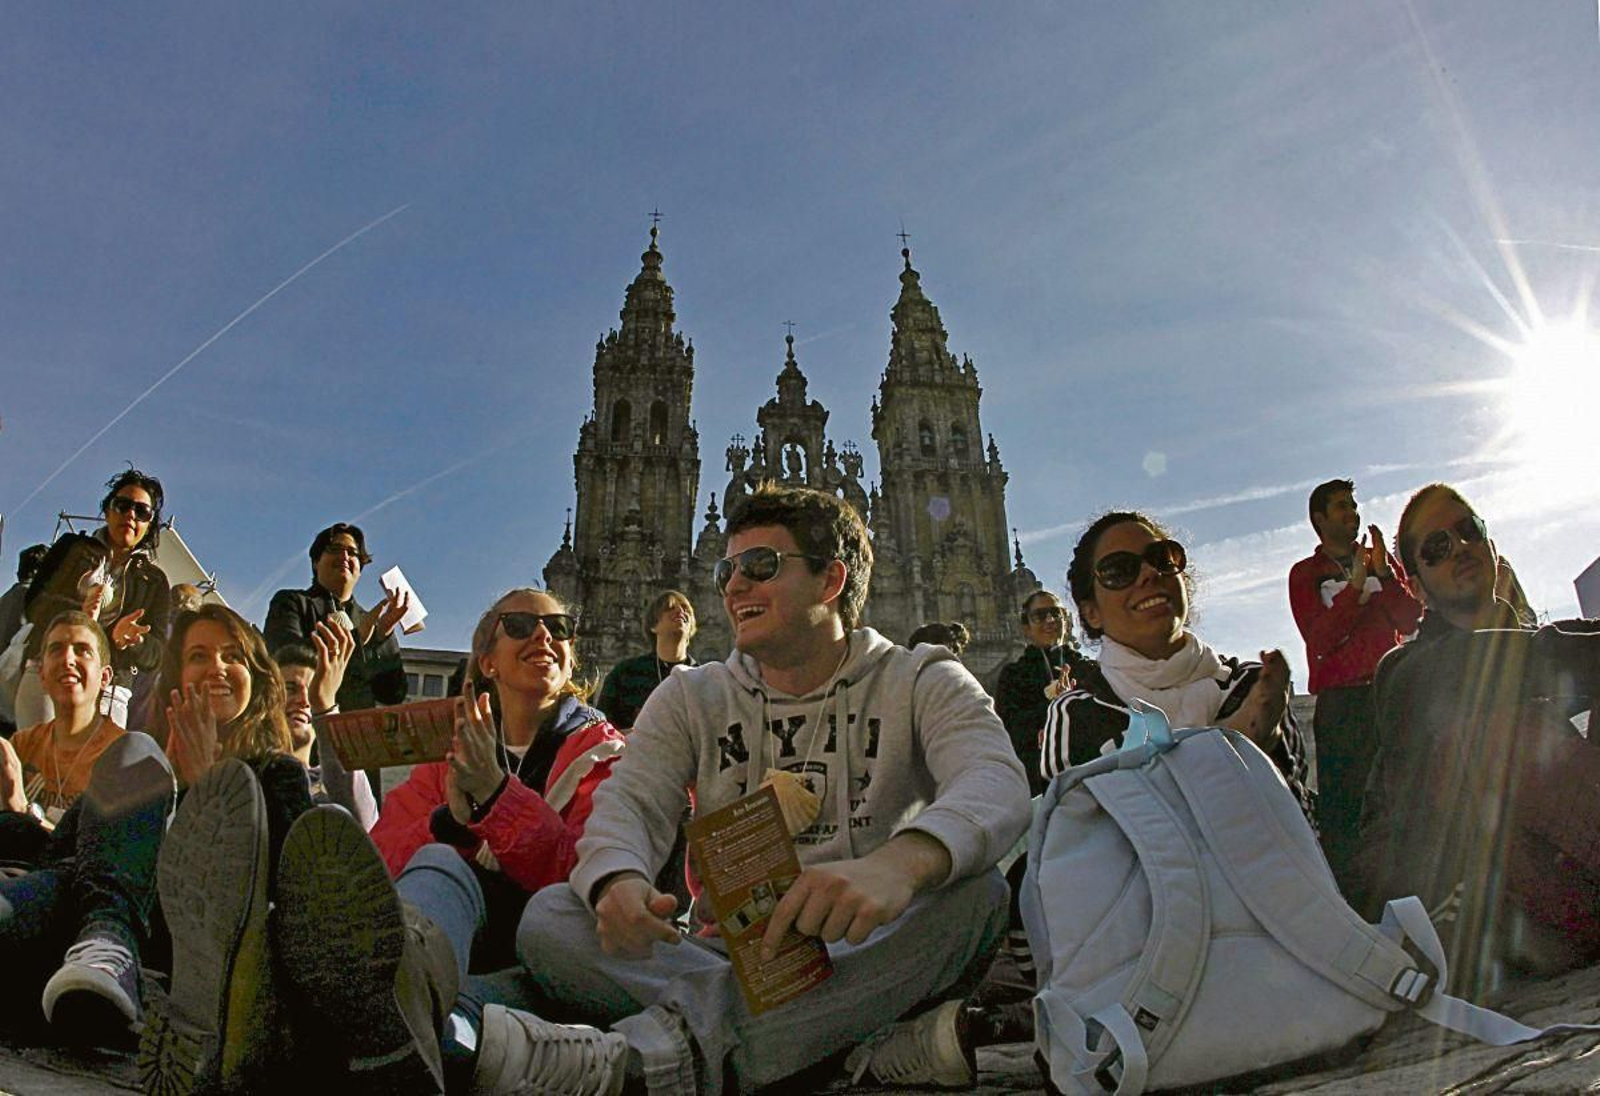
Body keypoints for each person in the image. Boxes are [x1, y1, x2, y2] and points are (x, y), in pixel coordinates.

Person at [516, 483, 1031, 1094]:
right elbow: (629, 801)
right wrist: (618, 879)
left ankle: (655, 1058)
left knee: (976, 895)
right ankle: (837, 1044)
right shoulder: (691, 694)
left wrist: (902, 863)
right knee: (550, 915)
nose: (733, 587)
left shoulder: (921, 677)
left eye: (760, 567)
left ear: (830, 580)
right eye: (726, 569)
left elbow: (997, 780)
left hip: (868, 945)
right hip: (726, 957)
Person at [1356, 484, 1600, 999]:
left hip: (1567, 879)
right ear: (1417, 586)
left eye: (1469, 532)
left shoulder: (1531, 645)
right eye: (1437, 547)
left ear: (1491, 547)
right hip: (1476, 913)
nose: (1460, 548)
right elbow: (1530, 660)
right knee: (1501, 732)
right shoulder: (1404, 672)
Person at [137, 604, 313, 1091]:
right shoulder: (141, 765)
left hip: (227, 980)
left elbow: (286, 892)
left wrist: (207, 790)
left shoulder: (278, 775)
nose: (216, 667)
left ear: (255, 677)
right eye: (198, 655)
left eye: (232, 656)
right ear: (176, 676)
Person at [1040, 511, 1312, 820]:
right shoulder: (1077, 714)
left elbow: (1297, 820)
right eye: (1118, 570)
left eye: (1162, 558)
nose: (1149, 574)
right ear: (1091, 613)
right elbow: (1086, 837)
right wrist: (1239, 745)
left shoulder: (1250, 684)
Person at [1287, 478, 1421, 890]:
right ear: (1319, 519)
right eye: (1342, 506)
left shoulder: (1381, 562)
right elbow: (1321, 639)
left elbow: (1410, 619)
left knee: (1413, 797)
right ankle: (1359, 904)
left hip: (1393, 694)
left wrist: (1383, 573)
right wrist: (1358, 588)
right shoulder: (1305, 575)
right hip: (1342, 706)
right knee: (1349, 811)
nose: (1353, 513)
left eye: (1354, 505)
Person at [16, 470, 171, 730]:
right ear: (108, 510)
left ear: (149, 524)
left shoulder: (154, 581)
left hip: (110, 690)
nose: (131, 515)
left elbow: (156, 655)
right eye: (123, 505)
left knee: (96, 770)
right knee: (37, 763)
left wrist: (135, 640)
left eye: (142, 511)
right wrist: (79, 611)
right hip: (52, 669)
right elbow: (34, 605)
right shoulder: (72, 549)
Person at [1, 613, 127, 862]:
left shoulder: (125, 756)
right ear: (43, 676)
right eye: (56, 649)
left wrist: (23, 811)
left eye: (83, 650)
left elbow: (105, 860)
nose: (68, 659)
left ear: (104, 677)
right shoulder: (22, 745)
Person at [264, 522, 410, 713]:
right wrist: (357, 638)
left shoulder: (370, 622)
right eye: (335, 549)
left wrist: (383, 636)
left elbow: (392, 695)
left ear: (360, 566)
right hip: (302, 726)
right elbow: (285, 658)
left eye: (353, 553)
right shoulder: (291, 602)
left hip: (352, 735)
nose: (344, 557)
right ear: (315, 562)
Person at [274, 628, 378, 829]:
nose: (305, 701)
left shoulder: (336, 780)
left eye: (313, 691)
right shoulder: (246, 775)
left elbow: (367, 829)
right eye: (289, 689)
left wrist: (324, 707)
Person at [994, 589, 1088, 794]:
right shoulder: (1015, 675)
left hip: (1093, 772)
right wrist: (1052, 703)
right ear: (1026, 628)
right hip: (1040, 780)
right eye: (1039, 616)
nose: (1050, 620)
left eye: (1056, 613)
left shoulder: (1088, 668)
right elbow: (1009, 729)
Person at [595, 589, 699, 731]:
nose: (681, 611)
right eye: (670, 608)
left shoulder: (702, 678)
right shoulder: (624, 674)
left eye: (685, 609)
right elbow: (602, 730)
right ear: (653, 626)